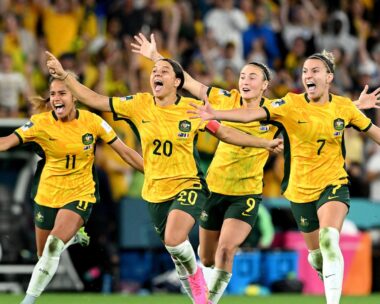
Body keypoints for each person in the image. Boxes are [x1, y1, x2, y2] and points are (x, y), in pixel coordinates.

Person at [45, 51, 282, 304]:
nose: (156, 74)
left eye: (164, 72)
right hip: (158, 190)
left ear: (176, 82)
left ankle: (203, 298)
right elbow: (96, 99)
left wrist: (263, 143)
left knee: (184, 240)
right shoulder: (138, 104)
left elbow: (225, 133)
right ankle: (197, 282)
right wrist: (65, 78)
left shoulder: (193, 109)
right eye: (154, 71)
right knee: (185, 251)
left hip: (194, 185)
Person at [189, 50, 380, 304]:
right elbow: (250, 114)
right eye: (304, 71)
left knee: (329, 238)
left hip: (332, 184)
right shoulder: (288, 104)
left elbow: (358, 122)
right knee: (316, 256)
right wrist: (217, 115)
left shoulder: (344, 107)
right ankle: (319, 263)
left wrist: (355, 106)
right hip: (299, 190)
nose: (308, 75)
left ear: (329, 77)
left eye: (314, 71)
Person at [131, 32, 281, 304]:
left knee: (226, 250)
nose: (244, 81)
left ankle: (207, 302)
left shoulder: (277, 112)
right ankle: (204, 291)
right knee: (208, 256)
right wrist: (155, 57)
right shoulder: (223, 98)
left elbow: (313, 114)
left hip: (245, 192)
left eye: (252, 77)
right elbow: (185, 81)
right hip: (213, 188)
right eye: (242, 76)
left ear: (265, 85)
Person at [0, 75, 144, 304]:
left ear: (75, 96)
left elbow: (125, 151)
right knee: (44, 255)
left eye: (62, 93)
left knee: (53, 245)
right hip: (47, 195)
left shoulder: (92, 122)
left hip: (80, 194)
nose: (56, 98)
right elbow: (6, 142)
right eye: (53, 94)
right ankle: (73, 237)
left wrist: (153, 172)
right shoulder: (40, 122)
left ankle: (27, 301)